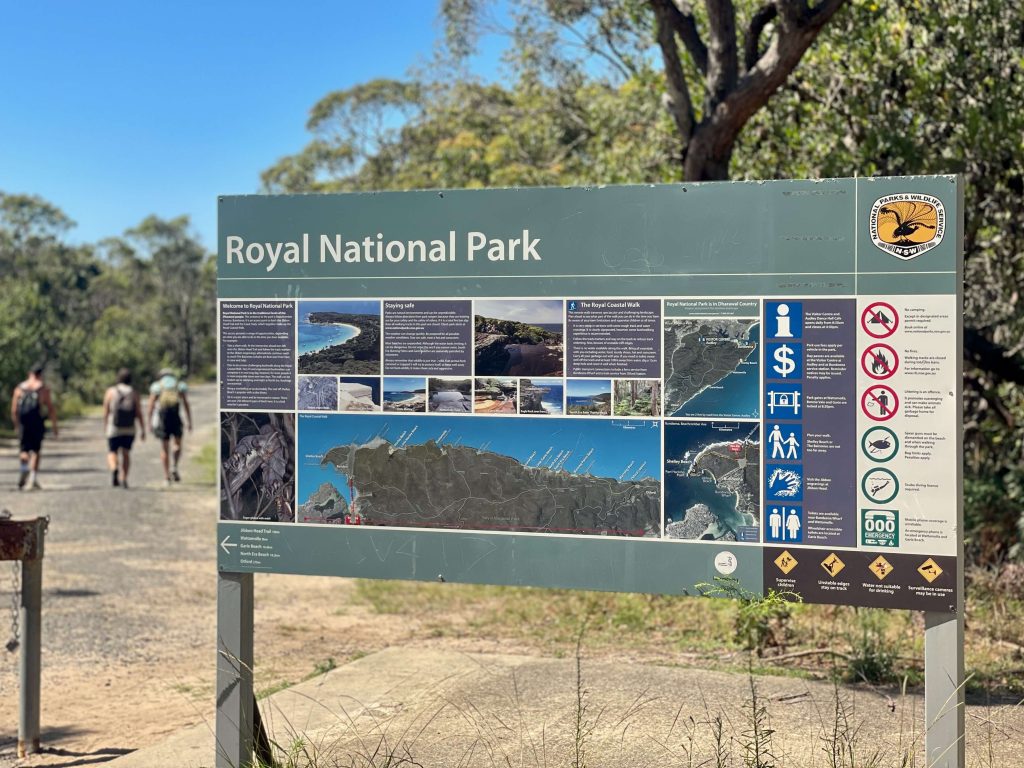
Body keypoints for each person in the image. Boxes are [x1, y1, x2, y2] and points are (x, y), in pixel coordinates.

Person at [10, 363, 58, 491]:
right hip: (37, 421)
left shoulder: (19, 388)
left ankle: (23, 469)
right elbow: (50, 409)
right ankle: (32, 478)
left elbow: (14, 409)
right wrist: (54, 427)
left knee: (24, 449)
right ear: (40, 375)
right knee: (36, 450)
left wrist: (16, 424)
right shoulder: (42, 389)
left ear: (30, 373)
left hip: (23, 422)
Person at [147, 367, 192, 487]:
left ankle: (166, 477)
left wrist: (149, 422)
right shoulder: (179, 385)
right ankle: (174, 466)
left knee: (164, 449)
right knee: (177, 445)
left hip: (163, 420)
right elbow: (186, 404)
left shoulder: (157, 386)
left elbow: (151, 405)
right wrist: (189, 422)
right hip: (176, 418)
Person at [102, 368, 145, 489]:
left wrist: (105, 425)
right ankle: (124, 478)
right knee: (126, 453)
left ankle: (114, 468)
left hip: (114, 427)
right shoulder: (134, 392)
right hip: (129, 428)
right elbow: (138, 413)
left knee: (112, 451)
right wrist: (142, 429)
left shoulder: (111, 391)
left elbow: (106, 410)